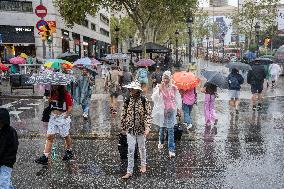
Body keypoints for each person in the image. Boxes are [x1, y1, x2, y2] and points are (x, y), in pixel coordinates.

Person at [120, 81, 152, 179]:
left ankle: (143, 165)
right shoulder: (128, 99)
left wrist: (147, 127)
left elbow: (148, 114)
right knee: (130, 149)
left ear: (137, 89)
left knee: (142, 148)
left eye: (132, 89)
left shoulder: (144, 100)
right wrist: (123, 126)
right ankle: (129, 171)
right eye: (130, 88)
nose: (130, 90)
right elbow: (123, 113)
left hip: (141, 129)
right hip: (130, 129)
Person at [35, 85, 73, 165]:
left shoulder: (66, 94)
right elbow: (51, 105)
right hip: (53, 118)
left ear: (60, 85)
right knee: (49, 137)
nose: (54, 85)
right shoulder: (52, 93)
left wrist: (66, 115)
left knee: (65, 136)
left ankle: (69, 151)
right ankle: (45, 157)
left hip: (62, 118)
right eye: (53, 84)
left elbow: (70, 107)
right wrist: (49, 99)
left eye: (56, 84)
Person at [151, 71, 182, 158]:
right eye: (164, 78)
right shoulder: (159, 87)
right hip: (163, 111)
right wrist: (159, 90)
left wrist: (179, 109)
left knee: (171, 130)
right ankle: (161, 142)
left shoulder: (174, 88)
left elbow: (177, 99)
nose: (166, 80)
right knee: (162, 128)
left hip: (171, 111)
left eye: (167, 78)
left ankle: (171, 149)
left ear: (170, 79)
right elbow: (154, 98)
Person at [0, 108, 19, 189]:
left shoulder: (11, 132)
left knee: (3, 183)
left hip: (6, 163)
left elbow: (13, 148)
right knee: (5, 181)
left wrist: (7, 161)